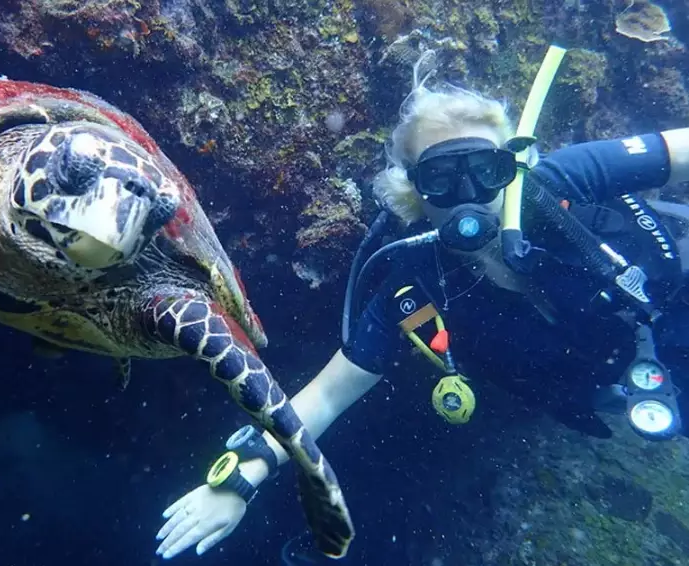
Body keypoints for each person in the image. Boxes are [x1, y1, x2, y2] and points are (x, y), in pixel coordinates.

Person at [153, 46, 689, 560]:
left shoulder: (572, 177)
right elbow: (327, 397)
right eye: (440, 177)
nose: (468, 194)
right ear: (413, 191)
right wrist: (242, 474)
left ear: (514, 167)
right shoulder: (416, 283)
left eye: (484, 169)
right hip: (611, 399)